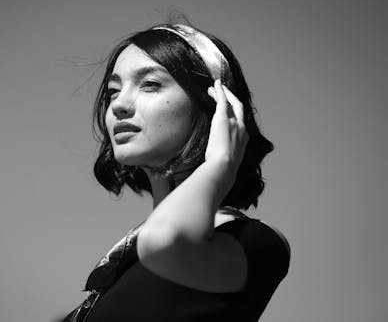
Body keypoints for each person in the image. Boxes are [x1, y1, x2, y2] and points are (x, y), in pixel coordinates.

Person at [62, 22, 290, 322]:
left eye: (150, 84)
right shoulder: (129, 256)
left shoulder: (251, 241)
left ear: (215, 105)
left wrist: (220, 162)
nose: (119, 105)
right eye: (113, 91)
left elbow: (164, 241)